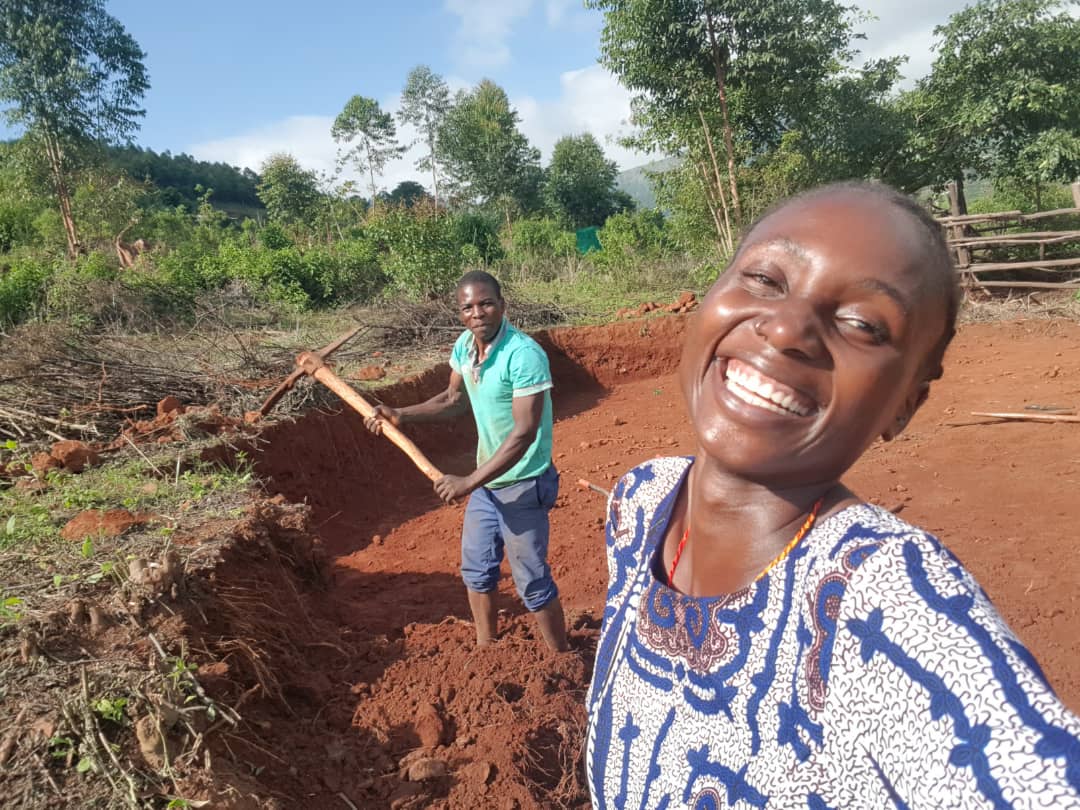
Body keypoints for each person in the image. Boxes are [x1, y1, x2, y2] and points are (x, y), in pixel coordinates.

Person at [586, 182, 1080, 808]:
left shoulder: (884, 610)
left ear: (905, 404)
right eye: (765, 279)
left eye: (862, 324)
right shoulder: (641, 501)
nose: (789, 327)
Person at [365, 270, 569, 652]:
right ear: (460, 313)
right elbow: (451, 399)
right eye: (468, 307)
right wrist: (399, 413)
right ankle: (487, 650)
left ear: (502, 305)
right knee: (477, 570)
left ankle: (563, 657)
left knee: (531, 580)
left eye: (486, 303)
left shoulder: (523, 355)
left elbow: (523, 434)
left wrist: (468, 481)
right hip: (488, 487)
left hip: (523, 483)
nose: (478, 313)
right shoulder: (465, 346)